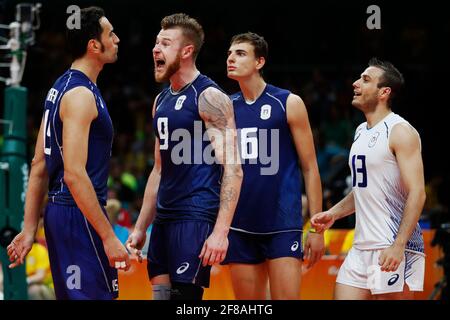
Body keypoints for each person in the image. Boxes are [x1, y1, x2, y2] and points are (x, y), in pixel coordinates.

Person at [7, 7, 130, 300]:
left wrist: (28, 229)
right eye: (110, 34)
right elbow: (74, 174)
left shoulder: (59, 87)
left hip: (64, 212)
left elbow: (39, 165)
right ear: (94, 45)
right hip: (77, 212)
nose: (117, 39)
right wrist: (109, 237)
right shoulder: (81, 95)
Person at [126, 13, 242, 300]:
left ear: (187, 51)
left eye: (165, 43)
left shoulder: (209, 96)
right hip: (164, 219)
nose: (156, 49)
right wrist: (141, 227)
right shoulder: (161, 100)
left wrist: (220, 232)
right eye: (156, 43)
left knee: (184, 301)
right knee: (161, 297)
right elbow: (158, 170)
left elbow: (234, 169)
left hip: (195, 214)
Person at [311, 58, 426, 300]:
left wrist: (398, 245)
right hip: (360, 247)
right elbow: (364, 189)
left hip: (392, 245)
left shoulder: (400, 131)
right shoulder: (361, 131)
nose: (355, 84)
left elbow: (418, 192)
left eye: (365, 80)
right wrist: (333, 213)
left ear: (384, 92)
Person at [222, 32, 325, 299]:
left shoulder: (288, 102)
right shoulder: (224, 108)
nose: (231, 58)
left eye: (240, 53)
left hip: (282, 223)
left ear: (260, 62)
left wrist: (316, 228)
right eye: (230, 53)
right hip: (240, 224)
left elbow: (311, 168)